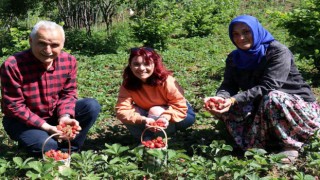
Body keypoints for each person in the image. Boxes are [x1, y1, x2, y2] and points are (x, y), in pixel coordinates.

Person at [204, 15, 320, 163]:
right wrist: (220, 98)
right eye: (236, 34)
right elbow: (229, 85)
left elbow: (269, 86)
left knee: (273, 97)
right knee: (225, 106)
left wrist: (233, 99)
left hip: (294, 107)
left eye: (246, 32)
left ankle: (290, 145)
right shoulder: (234, 58)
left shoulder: (277, 52)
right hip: (260, 104)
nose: (241, 38)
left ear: (256, 31)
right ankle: (260, 142)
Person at [1, 20, 101, 157]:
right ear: (31, 41)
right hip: (22, 122)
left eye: (54, 45)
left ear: (62, 45)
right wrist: (47, 128)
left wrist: (64, 117)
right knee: (48, 145)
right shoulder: (13, 65)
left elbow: (68, 94)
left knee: (91, 106)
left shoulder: (68, 61)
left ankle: (68, 149)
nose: (48, 50)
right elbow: (14, 106)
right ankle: (46, 144)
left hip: (53, 115)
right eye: (42, 43)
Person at [115, 47, 196, 140]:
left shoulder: (166, 81)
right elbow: (122, 109)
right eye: (136, 64)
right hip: (148, 112)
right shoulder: (128, 84)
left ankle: (160, 140)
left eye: (146, 64)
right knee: (127, 113)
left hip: (181, 114)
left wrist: (165, 117)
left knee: (155, 110)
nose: (141, 68)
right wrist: (142, 119)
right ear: (130, 65)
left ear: (154, 64)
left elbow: (180, 107)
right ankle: (145, 139)